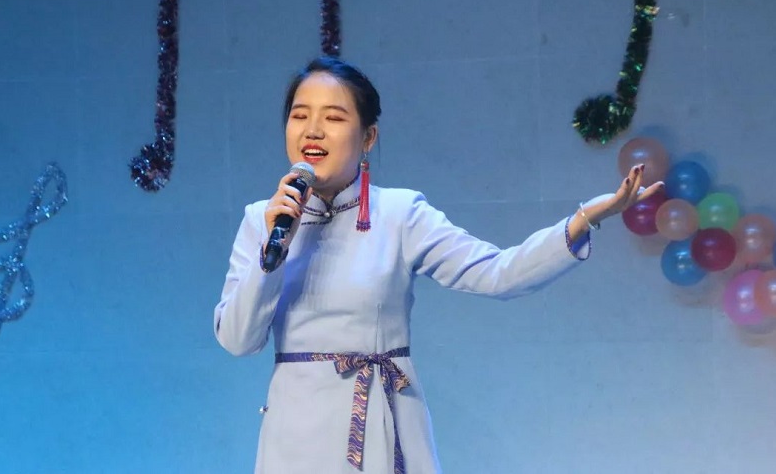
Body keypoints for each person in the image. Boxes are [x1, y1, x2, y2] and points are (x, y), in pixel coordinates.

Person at [214, 56, 664, 474]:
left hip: (381, 423)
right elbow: (237, 339)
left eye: (333, 118)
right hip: (294, 438)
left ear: (368, 138)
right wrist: (273, 250)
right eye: (299, 115)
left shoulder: (400, 214)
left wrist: (583, 220)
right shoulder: (262, 220)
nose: (313, 130)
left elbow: (498, 273)